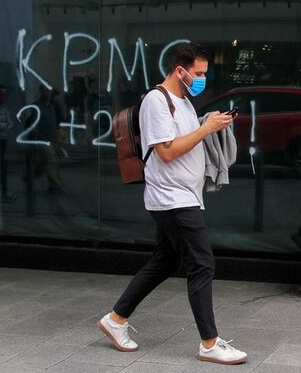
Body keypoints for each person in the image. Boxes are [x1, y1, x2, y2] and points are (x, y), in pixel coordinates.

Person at [98, 42, 247, 365]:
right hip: (172, 198)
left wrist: (210, 123)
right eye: (198, 74)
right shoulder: (156, 101)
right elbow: (166, 152)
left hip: (183, 195)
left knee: (165, 261)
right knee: (202, 264)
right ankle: (209, 343)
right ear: (180, 71)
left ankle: (116, 319)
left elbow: (186, 140)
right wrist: (205, 128)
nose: (202, 79)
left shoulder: (184, 102)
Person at [25, 86, 64, 195]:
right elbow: (33, 125)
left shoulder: (52, 105)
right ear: (41, 92)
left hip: (52, 138)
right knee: (51, 161)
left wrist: (58, 134)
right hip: (42, 140)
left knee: (45, 163)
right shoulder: (37, 106)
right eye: (46, 91)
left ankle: (29, 177)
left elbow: (55, 121)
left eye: (50, 91)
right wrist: (34, 141)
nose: (49, 94)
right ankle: (55, 186)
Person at [0, 85, 16, 203]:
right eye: (1, 94)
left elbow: (10, 124)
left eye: (4, 95)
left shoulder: (5, 110)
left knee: (3, 166)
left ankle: (3, 190)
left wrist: (4, 125)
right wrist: (5, 125)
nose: (3, 97)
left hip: (3, 140)